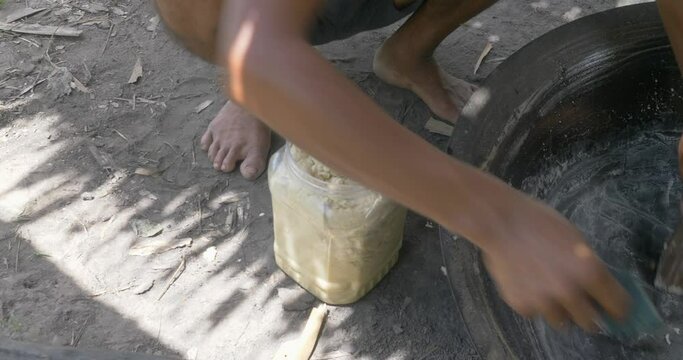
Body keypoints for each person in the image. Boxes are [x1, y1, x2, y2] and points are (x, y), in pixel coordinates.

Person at [154, 0, 633, 331]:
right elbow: (253, 53)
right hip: (234, 18)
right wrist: (501, 222)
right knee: (241, 42)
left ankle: (407, 55)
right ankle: (254, 100)